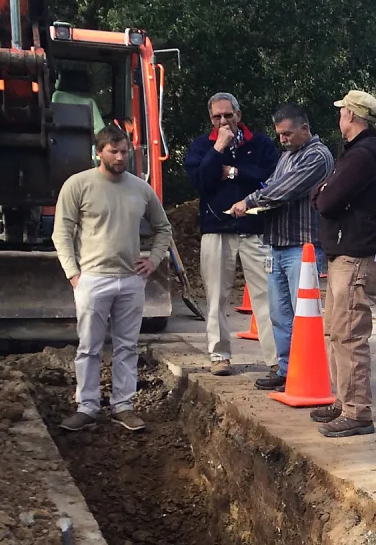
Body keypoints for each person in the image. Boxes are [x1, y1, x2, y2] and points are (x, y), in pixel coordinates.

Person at [52, 123, 172, 433]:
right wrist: (73, 274)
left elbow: (163, 228)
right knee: (89, 347)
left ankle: (123, 405)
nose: (120, 157)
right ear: (98, 152)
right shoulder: (78, 186)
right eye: (113, 151)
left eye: (125, 152)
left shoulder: (141, 189)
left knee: (127, 347)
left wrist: (154, 259)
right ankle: (87, 406)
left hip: (131, 280)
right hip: (92, 279)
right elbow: (61, 232)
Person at [231, 104, 335, 390]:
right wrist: (260, 198)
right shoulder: (287, 156)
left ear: (305, 128)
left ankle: (304, 371)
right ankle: (287, 369)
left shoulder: (317, 156)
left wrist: (251, 201)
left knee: (303, 316)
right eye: (279, 135)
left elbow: (286, 189)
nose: (283, 139)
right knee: (279, 314)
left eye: (288, 133)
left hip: (302, 246)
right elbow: (274, 185)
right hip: (278, 244)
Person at [309, 90, 376, 438]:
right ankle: (345, 402)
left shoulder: (361, 157)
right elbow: (325, 193)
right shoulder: (359, 154)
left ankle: (357, 411)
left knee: (350, 333)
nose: (339, 116)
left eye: (342, 111)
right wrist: (323, 190)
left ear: (352, 116)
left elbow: (326, 200)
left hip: (354, 257)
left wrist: (322, 191)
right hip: (347, 254)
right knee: (337, 331)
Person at [184, 91, 279, 378]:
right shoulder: (202, 146)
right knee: (216, 297)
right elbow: (200, 181)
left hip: (255, 231)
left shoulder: (260, 143)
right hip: (216, 230)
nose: (223, 120)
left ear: (239, 114)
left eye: (228, 114)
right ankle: (219, 356)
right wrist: (218, 151)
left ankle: (276, 360)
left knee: (266, 297)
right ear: (210, 119)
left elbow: (270, 177)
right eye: (217, 116)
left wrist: (232, 172)